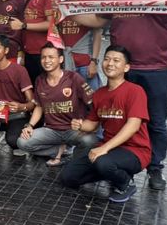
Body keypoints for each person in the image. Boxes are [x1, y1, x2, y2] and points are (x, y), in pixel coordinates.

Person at [70, 0, 167, 191]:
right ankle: (122, 164)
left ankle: (155, 168)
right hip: (122, 70)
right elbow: (99, 19)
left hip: (156, 68)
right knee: (121, 119)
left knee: (155, 121)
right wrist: (67, 13)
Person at [61, 45, 151, 204]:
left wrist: (104, 148)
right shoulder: (100, 94)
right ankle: (110, 171)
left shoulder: (135, 91)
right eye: (107, 59)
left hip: (135, 151)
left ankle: (125, 183)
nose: (110, 64)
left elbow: (133, 126)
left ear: (126, 67)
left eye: (116, 60)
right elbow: (92, 124)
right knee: (68, 177)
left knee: (102, 161)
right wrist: (80, 124)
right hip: (109, 149)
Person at [17, 43, 97, 165]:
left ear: (60, 59)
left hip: (73, 129)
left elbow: (93, 104)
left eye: (51, 57)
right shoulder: (39, 80)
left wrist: (86, 124)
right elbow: (39, 106)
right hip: (51, 130)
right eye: (43, 57)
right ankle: (59, 150)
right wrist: (29, 126)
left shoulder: (74, 78)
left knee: (90, 140)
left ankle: (75, 157)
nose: (46, 60)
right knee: (22, 142)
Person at [9, 0, 61, 84]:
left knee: (47, 87)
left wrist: (23, 26)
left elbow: (51, 24)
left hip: (44, 52)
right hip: (29, 50)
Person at [58, 0, 102, 90]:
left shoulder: (91, 1)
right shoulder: (62, 6)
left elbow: (97, 34)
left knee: (92, 100)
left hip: (86, 63)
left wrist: (93, 61)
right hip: (67, 63)